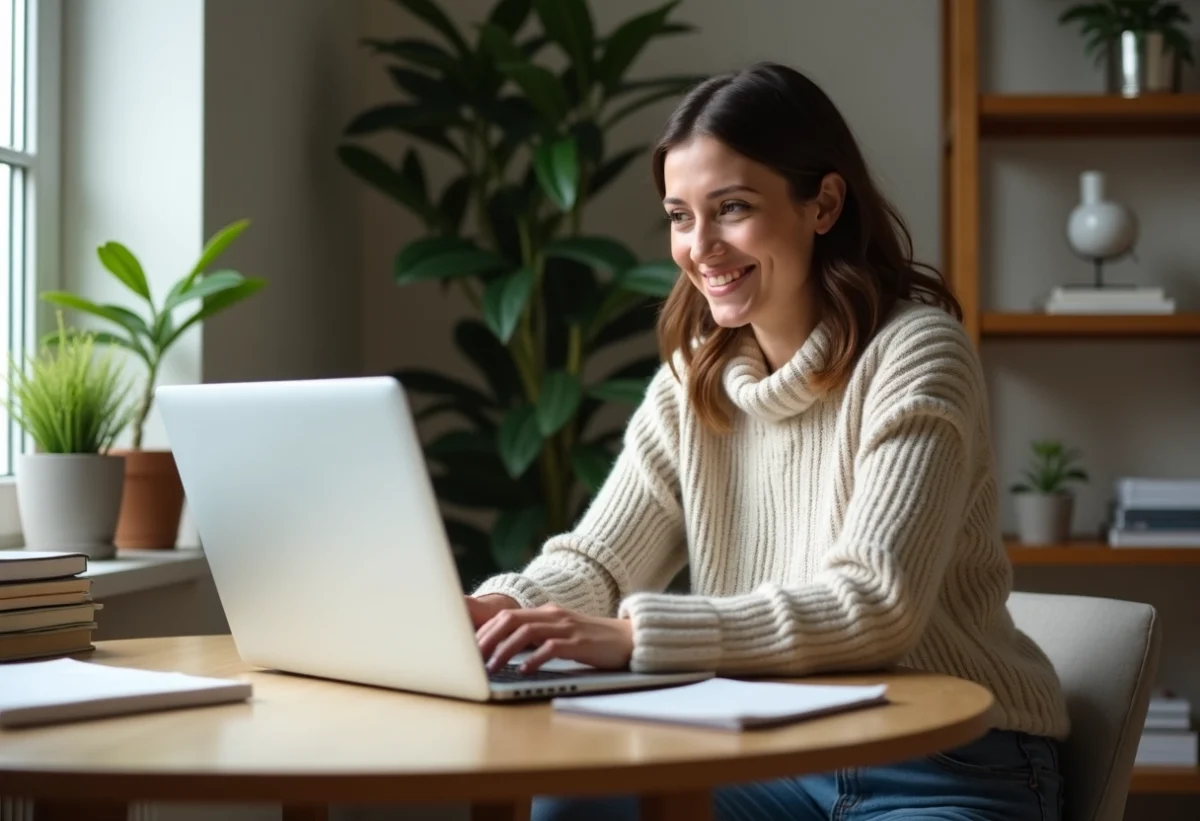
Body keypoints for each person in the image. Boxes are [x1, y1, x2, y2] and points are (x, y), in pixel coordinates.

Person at [466, 62, 1070, 821]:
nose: (700, 247)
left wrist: (634, 636)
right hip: (772, 753)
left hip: (942, 765)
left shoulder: (917, 354)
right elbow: (599, 562)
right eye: (680, 216)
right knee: (575, 802)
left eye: (733, 208)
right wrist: (498, 610)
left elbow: (876, 604)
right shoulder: (694, 381)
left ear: (824, 204)